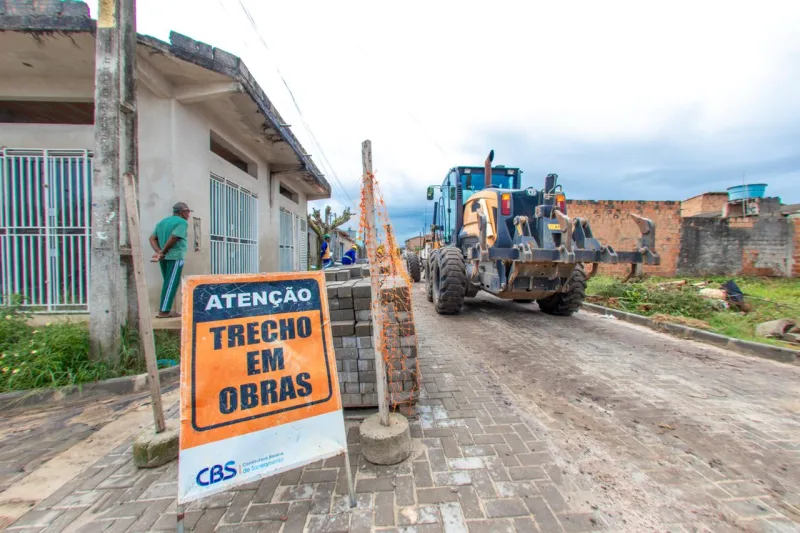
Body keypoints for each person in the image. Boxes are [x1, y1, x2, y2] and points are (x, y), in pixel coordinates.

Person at [149, 202, 191, 318]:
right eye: (188, 212)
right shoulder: (182, 222)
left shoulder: (162, 222)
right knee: (171, 283)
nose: (189, 215)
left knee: (168, 282)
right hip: (175, 256)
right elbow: (174, 237)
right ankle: (164, 311)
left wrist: (159, 251)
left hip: (164, 257)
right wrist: (163, 251)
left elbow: (152, 238)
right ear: (182, 212)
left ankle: (166, 309)